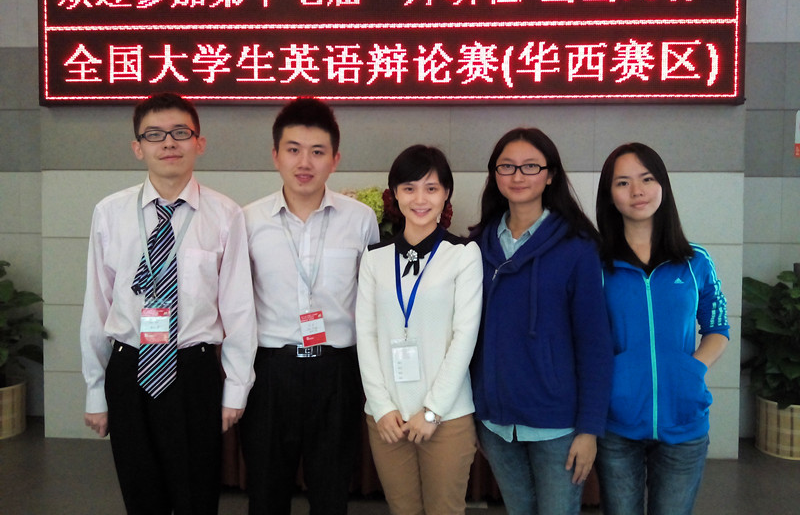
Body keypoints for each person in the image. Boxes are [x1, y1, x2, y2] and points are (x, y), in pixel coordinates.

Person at [80, 92, 257, 515]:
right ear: (137, 147)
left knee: (197, 496)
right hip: (129, 368)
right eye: (154, 135)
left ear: (199, 142)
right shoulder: (110, 213)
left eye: (180, 132)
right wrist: (95, 391)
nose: (169, 143)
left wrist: (236, 388)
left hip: (194, 371)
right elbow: (97, 305)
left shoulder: (225, 214)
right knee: (141, 497)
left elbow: (239, 309)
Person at [241, 97, 379, 515]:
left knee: (331, 494)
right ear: (275, 155)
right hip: (270, 372)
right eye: (293, 150)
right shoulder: (248, 220)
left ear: (335, 159)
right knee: (266, 494)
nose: (305, 162)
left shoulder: (360, 220)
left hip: (336, 372)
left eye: (317, 152)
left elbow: (371, 302)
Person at [469, 127, 613, 515]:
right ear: (495, 175)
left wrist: (589, 429)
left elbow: (595, 345)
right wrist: (476, 412)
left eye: (530, 166)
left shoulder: (577, 247)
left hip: (557, 424)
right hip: (496, 422)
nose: (518, 176)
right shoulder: (477, 246)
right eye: (507, 166)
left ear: (550, 175)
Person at [594, 143, 729, 515]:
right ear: (609, 195)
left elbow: (717, 326)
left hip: (684, 421)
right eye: (623, 182)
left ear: (663, 186)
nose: (637, 191)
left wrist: (693, 368)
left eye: (647, 179)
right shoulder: (596, 264)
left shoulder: (695, 261)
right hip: (616, 422)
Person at [356, 145, 483, 514]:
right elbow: (366, 334)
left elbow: (464, 337)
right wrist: (381, 407)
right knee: (403, 509)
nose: (420, 199)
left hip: (446, 416)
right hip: (388, 418)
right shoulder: (374, 258)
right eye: (409, 188)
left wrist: (432, 411)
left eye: (431, 188)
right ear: (395, 194)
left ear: (446, 194)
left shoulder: (463, 254)